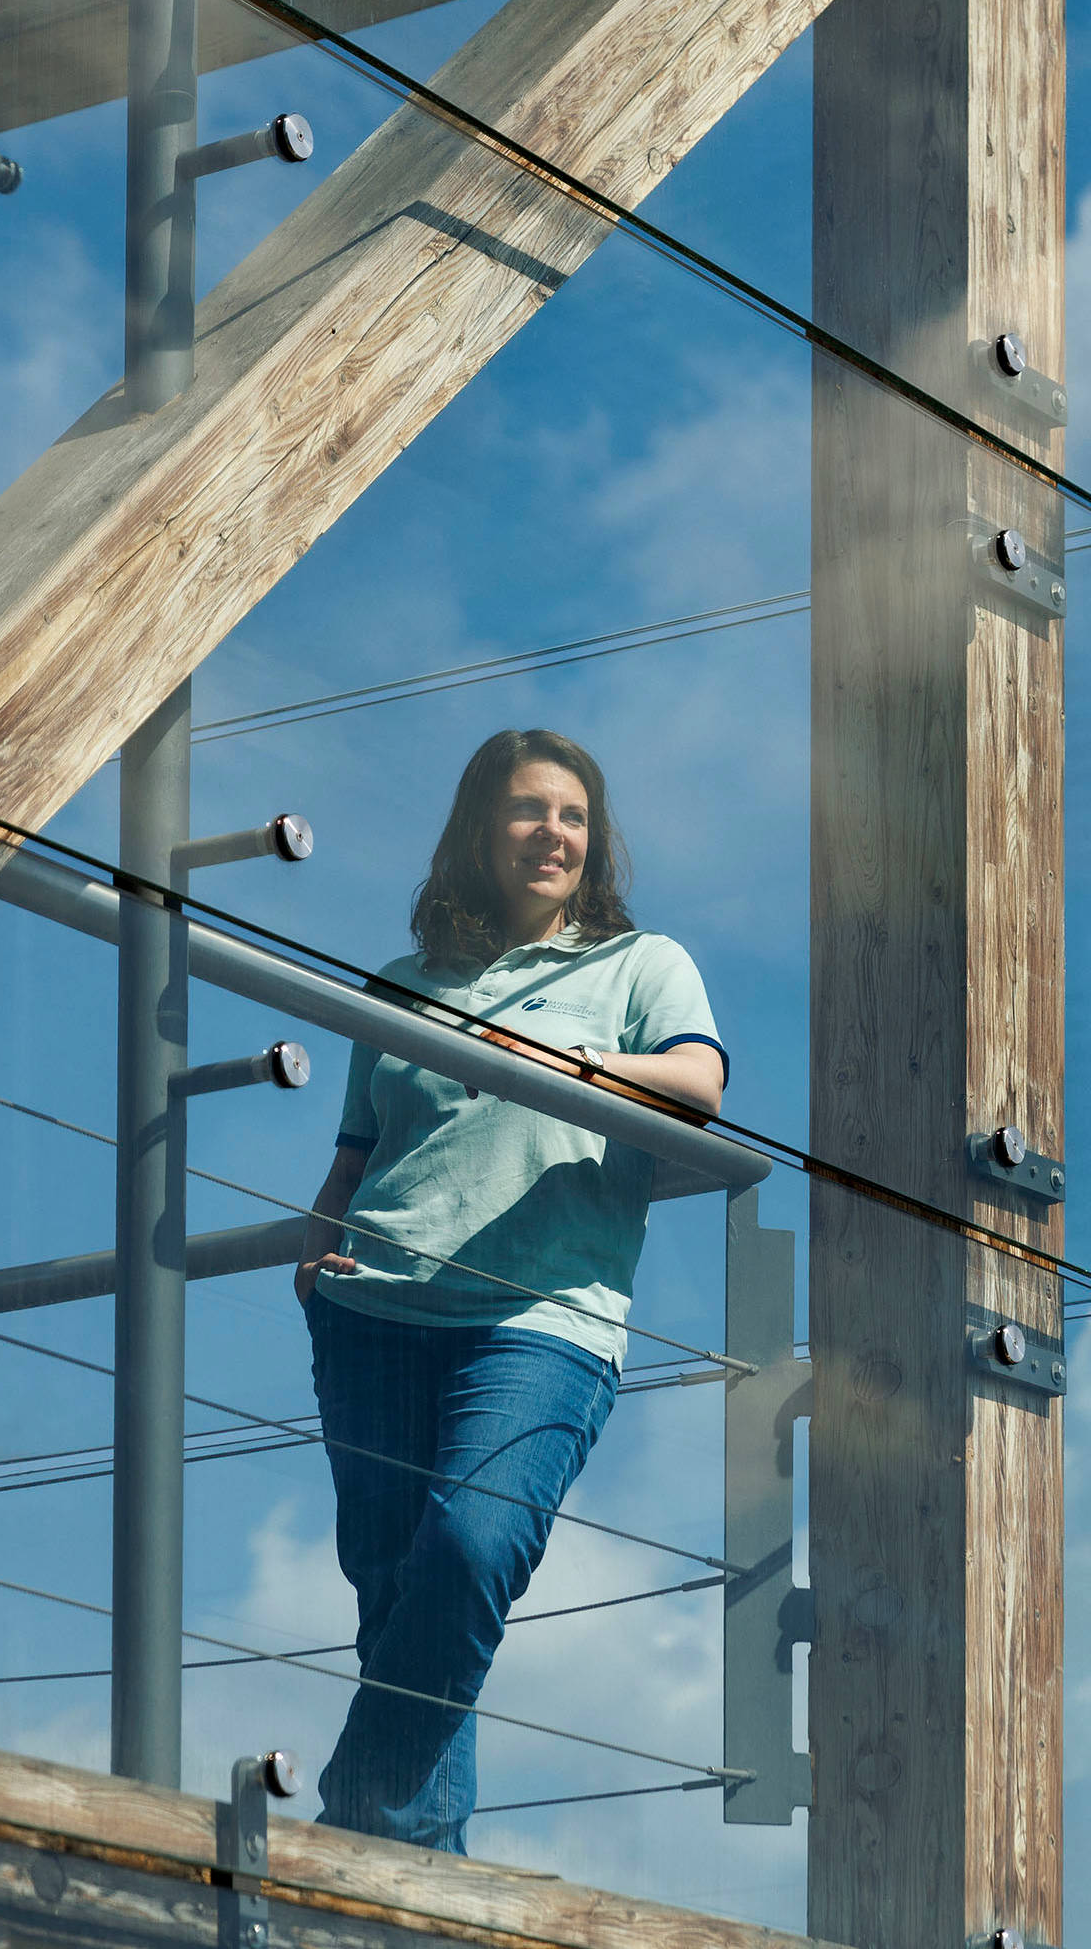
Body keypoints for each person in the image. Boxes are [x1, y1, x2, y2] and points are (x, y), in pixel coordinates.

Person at [295, 727, 727, 1852]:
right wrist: (314, 1258)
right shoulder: (403, 985)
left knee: (469, 1551)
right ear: (479, 832)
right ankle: (413, 1889)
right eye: (529, 810)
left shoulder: (639, 964)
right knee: (394, 1596)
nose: (553, 833)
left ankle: (355, 1821)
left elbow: (698, 1083)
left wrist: (571, 1065)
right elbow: (356, 1151)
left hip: (540, 1319)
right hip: (370, 1308)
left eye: (573, 816)